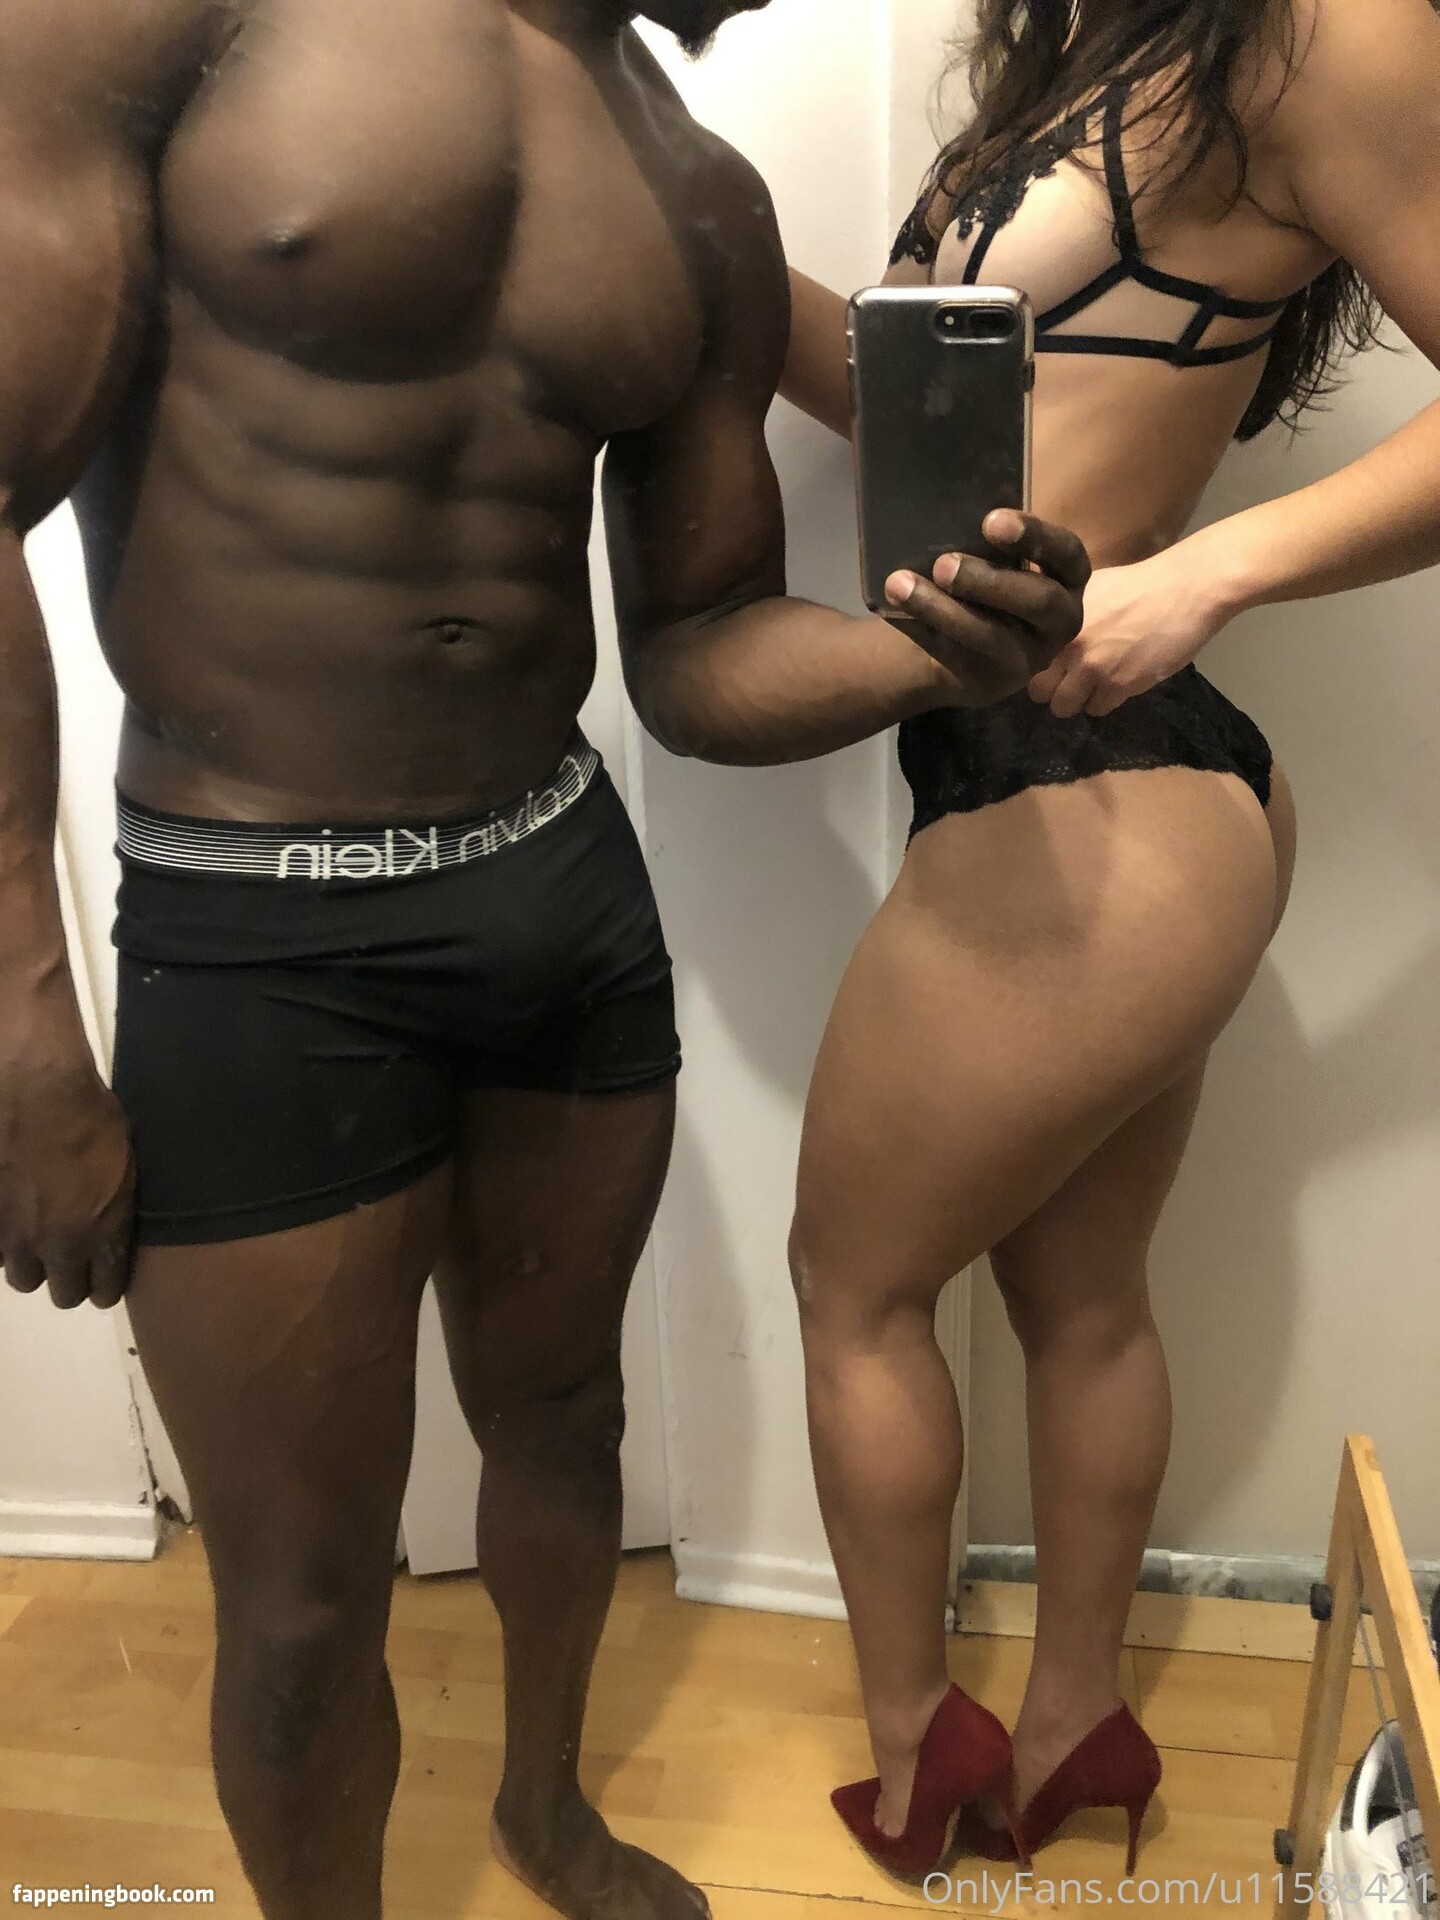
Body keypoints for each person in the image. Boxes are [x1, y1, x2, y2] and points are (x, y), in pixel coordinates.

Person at [0, 3, 1090, 1917]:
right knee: (304, 1598)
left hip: (556, 896)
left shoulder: (699, 194)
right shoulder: (173, 17)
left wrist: (932, 654)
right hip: (254, 930)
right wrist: (21, 1022)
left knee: (566, 1423)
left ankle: (545, 1805)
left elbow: (699, 648)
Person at [781, 0, 1440, 1879]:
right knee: (1078, 1303)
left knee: (854, 1291)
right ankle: (1076, 1726)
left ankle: (916, 1762)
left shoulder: (1322, 31)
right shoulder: (1098, 45)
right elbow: (943, 419)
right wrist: (726, 269)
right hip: (1103, 796)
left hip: (1097, 793)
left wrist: (1206, 573)